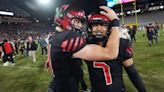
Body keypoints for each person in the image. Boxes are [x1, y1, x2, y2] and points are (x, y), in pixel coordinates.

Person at [48, 4, 120, 92]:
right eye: (77, 21)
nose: (80, 26)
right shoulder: (69, 37)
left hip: (56, 85)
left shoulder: (55, 37)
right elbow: (110, 53)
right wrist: (115, 23)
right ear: (66, 19)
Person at [86, 13, 147, 92]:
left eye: (103, 25)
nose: (98, 28)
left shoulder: (121, 44)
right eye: (95, 25)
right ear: (90, 27)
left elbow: (132, 72)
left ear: (110, 28)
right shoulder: (86, 44)